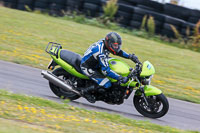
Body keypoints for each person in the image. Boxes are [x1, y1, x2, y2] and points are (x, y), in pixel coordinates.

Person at [80, 32, 142, 103]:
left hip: (96, 63)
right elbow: (106, 71)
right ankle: (85, 92)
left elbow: (117, 52)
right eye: (115, 45)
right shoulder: (101, 53)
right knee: (106, 84)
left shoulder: (105, 43)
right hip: (88, 67)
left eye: (118, 45)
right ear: (108, 43)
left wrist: (130, 56)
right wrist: (120, 78)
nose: (116, 47)